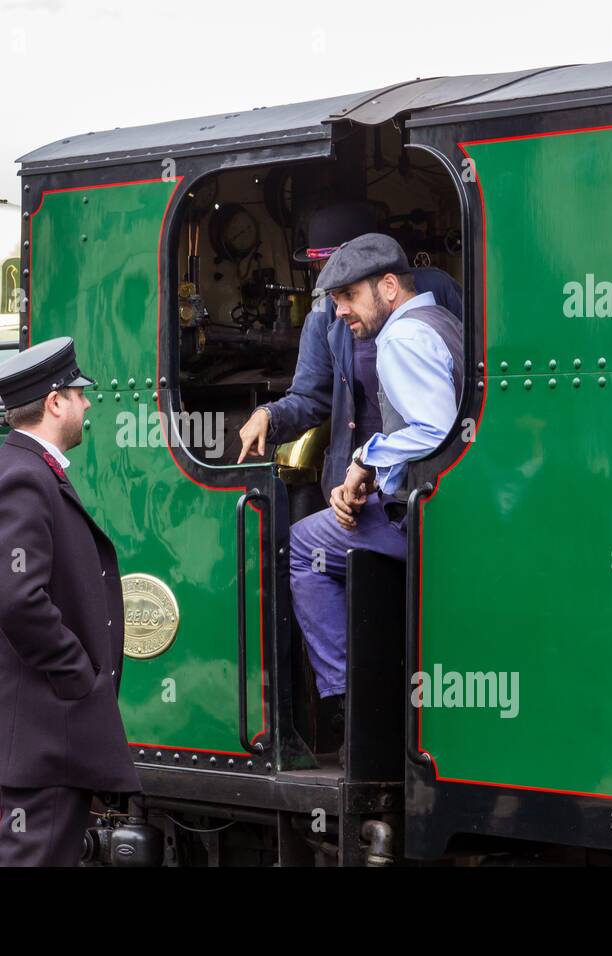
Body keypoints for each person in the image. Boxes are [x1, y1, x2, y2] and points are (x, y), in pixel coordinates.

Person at [0, 336, 140, 866]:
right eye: (80, 394)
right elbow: (15, 602)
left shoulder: (6, 468)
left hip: (36, 724)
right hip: (46, 727)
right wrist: (75, 675)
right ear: (55, 401)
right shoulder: (25, 478)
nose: (87, 404)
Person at [288, 234, 463, 759]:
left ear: (388, 286)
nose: (338, 312)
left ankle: (348, 704)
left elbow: (434, 431)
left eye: (346, 297)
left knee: (301, 545)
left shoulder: (401, 338)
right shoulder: (444, 322)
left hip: (426, 523)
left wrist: (365, 459)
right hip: (445, 512)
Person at [236, 202, 463, 504]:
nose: (330, 276)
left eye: (338, 263)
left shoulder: (436, 289)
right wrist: (269, 415)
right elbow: (310, 397)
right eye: (321, 267)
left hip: (429, 479)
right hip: (355, 483)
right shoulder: (323, 315)